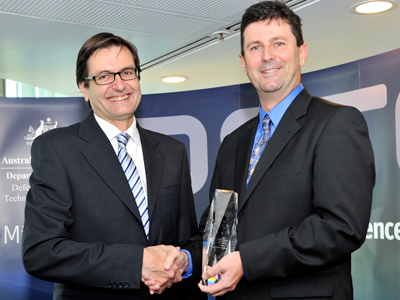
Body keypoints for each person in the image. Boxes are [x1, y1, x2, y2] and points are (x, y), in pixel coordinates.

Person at [198, 1, 375, 299]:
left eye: (278, 43)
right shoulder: (233, 142)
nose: (267, 56)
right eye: (255, 47)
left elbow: (341, 227)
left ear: (302, 52)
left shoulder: (337, 123)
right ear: (243, 62)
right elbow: (220, 222)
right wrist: (198, 259)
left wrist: (247, 261)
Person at [22, 32, 205, 300]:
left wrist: (185, 261)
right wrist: (136, 263)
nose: (119, 85)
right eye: (104, 76)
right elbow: (41, 252)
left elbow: (186, 240)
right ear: (84, 88)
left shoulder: (172, 151)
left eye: (127, 72)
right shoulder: (56, 149)